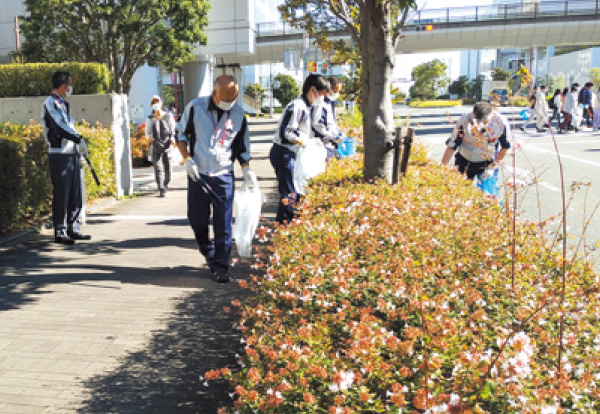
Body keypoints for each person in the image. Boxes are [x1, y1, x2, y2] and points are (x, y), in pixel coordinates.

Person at [177, 74, 256, 283]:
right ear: (214, 93)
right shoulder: (195, 108)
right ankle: (209, 252)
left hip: (224, 175)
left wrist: (246, 170)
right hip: (198, 174)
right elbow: (180, 135)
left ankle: (220, 267)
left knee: (223, 224)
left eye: (234, 99)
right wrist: (187, 159)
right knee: (197, 220)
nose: (229, 104)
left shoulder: (238, 114)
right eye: (226, 99)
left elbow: (241, 146)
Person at [270, 73, 330, 224]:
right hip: (284, 153)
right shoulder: (297, 106)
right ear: (312, 90)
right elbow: (287, 133)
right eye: (321, 95)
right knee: (289, 192)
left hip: (293, 153)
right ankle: (284, 226)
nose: (322, 99)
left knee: (295, 190)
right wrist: (304, 141)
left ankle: (286, 224)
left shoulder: (307, 106)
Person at [42, 71, 91, 245]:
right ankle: (60, 230)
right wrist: (78, 139)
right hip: (59, 154)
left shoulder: (64, 104)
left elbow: (70, 127)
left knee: (74, 193)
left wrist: (78, 148)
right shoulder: (50, 103)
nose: (70, 88)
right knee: (62, 194)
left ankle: (73, 227)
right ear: (63, 85)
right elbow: (59, 126)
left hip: (70, 153)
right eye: (69, 85)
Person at [441, 101, 512, 180]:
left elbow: (505, 147)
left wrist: (492, 166)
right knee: (462, 188)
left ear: (491, 116)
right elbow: (452, 144)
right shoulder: (465, 118)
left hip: (486, 162)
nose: (479, 126)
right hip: (464, 159)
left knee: (486, 191)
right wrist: (443, 169)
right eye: (476, 122)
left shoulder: (500, 122)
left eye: (484, 122)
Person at [145, 95, 176, 197]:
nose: (156, 104)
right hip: (156, 145)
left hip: (167, 144)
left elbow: (173, 130)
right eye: (153, 102)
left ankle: (166, 183)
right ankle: (161, 187)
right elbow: (147, 132)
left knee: (168, 169)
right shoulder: (150, 118)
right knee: (158, 168)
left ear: (161, 103)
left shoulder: (168, 116)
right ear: (151, 105)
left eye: (157, 101)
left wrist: (172, 139)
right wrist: (150, 137)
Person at [311, 75, 346, 161]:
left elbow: (332, 122)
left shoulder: (329, 103)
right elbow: (318, 124)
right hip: (322, 143)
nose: (337, 94)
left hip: (330, 142)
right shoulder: (319, 103)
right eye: (336, 91)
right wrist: (332, 136)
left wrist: (339, 133)